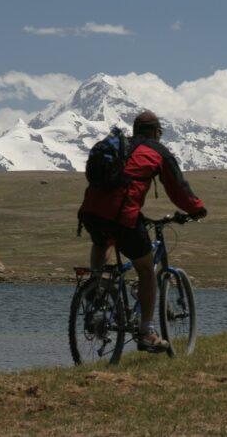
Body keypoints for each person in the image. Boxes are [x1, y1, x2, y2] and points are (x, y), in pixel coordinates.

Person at [78, 110, 207, 351]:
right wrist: (197, 208)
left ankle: (98, 291)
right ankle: (146, 333)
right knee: (147, 270)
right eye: (160, 133)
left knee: (104, 242)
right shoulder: (157, 152)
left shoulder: (118, 147)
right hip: (122, 214)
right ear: (156, 132)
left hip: (90, 211)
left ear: (136, 130)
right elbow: (178, 188)